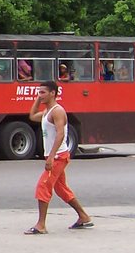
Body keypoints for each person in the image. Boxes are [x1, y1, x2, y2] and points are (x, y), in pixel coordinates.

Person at [25, 80, 92, 234]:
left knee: (43, 186)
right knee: (61, 189)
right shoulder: (47, 112)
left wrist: (51, 157)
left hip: (59, 156)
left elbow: (60, 134)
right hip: (54, 156)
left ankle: (41, 225)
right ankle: (83, 216)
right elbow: (32, 116)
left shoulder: (57, 111)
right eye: (39, 92)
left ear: (53, 93)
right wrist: (38, 99)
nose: (40, 95)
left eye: (43, 92)